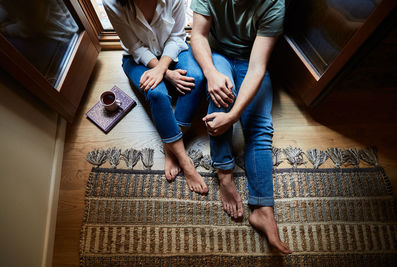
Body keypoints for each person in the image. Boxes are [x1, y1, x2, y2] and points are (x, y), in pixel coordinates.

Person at [190, 0, 292, 253]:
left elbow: (258, 67)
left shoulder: (274, 5)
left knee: (259, 128)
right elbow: (198, 35)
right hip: (217, 55)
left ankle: (263, 209)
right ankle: (224, 176)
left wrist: (235, 116)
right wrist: (211, 72)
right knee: (219, 98)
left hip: (249, 59)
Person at [103, 0, 208, 194]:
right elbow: (133, 46)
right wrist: (166, 74)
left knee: (197, 78)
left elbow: (177, 36)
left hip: (173, 50)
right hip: (137, 59)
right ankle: (184, 159)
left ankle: (171, 145)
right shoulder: (111, 3)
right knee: (157, 94)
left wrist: (162, 68)